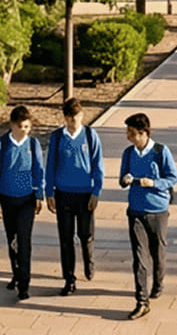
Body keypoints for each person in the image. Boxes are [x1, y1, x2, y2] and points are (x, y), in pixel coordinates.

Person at [119, 112, 177, 320]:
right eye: (128, 132)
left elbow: (173, 177)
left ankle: (158, 283)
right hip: (135, 210)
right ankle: (142, 301)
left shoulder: (161, 152)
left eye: (132, 133)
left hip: (157, 211)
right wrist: (126, 180)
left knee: (158, 252)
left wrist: (153, 183)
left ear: (144, 133)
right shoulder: (128, 153)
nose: (129, 136)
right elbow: (121, 179)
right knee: (139, 257)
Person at [45, 97, 103, 295]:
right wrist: (49, 192)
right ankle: (69, 279)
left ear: (82, 115)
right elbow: (50, 165)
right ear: (65, 118)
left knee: (86, 235)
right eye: (69, 119)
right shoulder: (57, 137)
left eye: (76, 117)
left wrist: (96, 191)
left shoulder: (90, 135)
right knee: (66, 238)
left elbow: (98, 166)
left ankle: (89, 262)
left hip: (85, 194)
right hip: (63, 195)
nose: (72, 122)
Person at [0, 105, 44, 300]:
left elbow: (38, 170)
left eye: (27, 127)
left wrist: (39, 195)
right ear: (12, 125)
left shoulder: (33, 144)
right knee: (12, 241)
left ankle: (24, 284)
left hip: (27, 199)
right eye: (21, 126)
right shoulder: (2, 144)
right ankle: (16, 273)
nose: (24, 131)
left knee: (24, 240)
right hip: (7, 198)